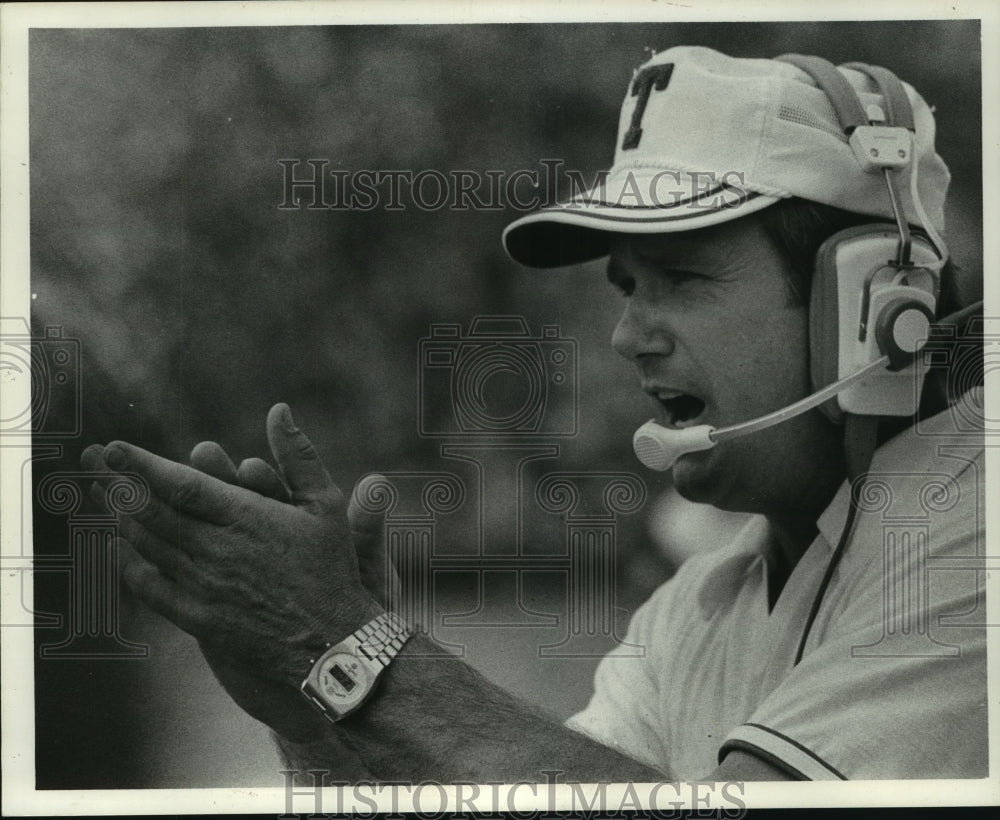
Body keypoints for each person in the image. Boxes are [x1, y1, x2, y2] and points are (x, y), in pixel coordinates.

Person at [81, 46, 986, 782]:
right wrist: (316, 712)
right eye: (627, 288)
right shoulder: (700, 605)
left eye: (682, 278)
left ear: (874, 301)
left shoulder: (975, 527)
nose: (628, 336)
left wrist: (345, 641)